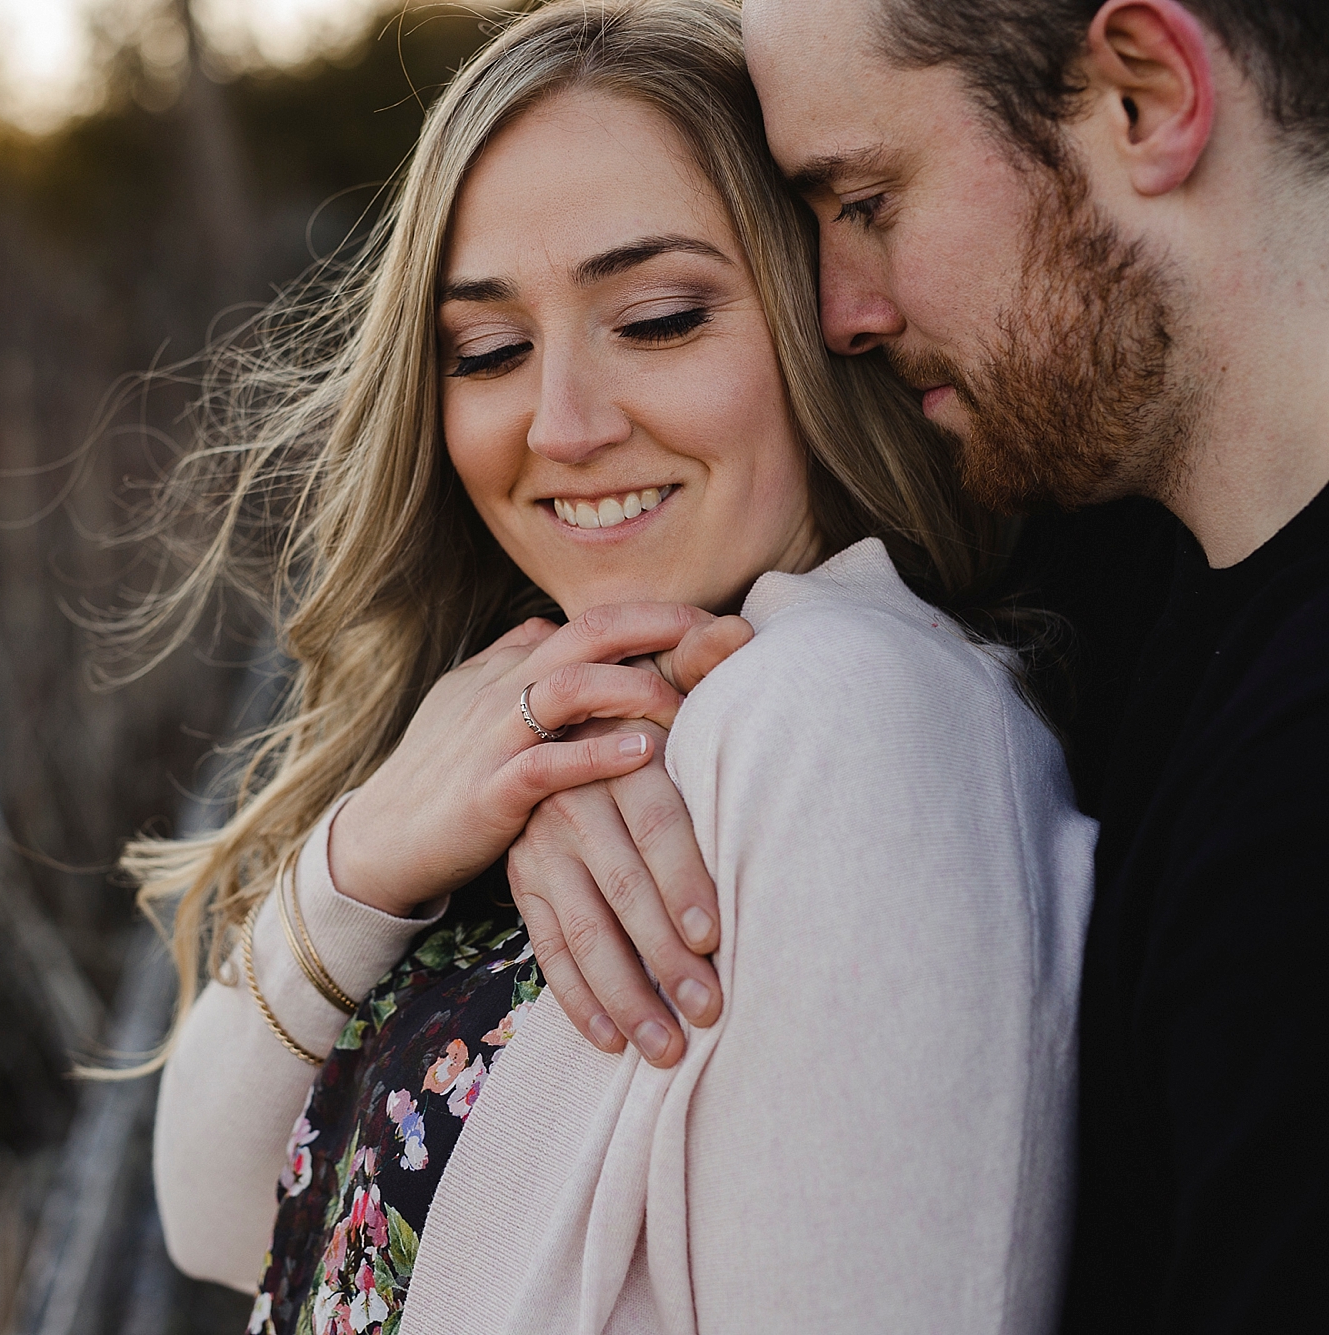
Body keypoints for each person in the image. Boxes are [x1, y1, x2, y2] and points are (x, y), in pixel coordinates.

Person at [133, 3, 1093, 1330]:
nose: (563, 426)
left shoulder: (846, 720)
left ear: (826, 320)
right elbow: (218, 1211)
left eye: (655, 318)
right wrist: (377, 847)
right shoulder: (509, 722)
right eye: (490, 349)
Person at [520, 0, 1329, 1326]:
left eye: (867, 199)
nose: (838, 311)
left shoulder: (1298, 818)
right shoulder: (1106, 556)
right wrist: (571, 737)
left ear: (1147, 97)